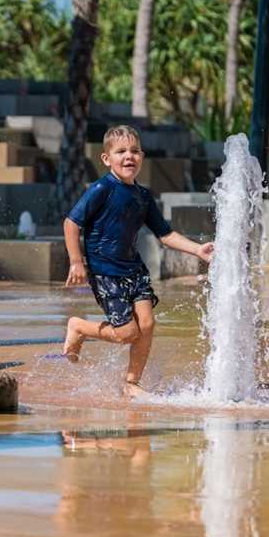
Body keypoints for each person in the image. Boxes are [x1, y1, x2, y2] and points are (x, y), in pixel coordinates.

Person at [62, 125, 213, 397]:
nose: (129, 156)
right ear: (107, 159)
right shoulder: (101, 189)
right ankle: (80, 327)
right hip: (105, 272)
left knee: (147, 325)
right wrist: (76, 262)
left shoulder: (143, 196)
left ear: (142, 157)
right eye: (121, 151)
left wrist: (198, 249)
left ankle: (131, 383)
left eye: (135, 151)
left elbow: (165, 235)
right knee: (126, 334)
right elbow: (72, 223)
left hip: (133, 270)